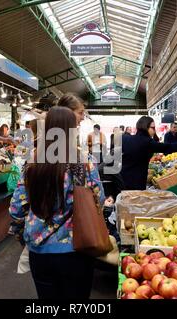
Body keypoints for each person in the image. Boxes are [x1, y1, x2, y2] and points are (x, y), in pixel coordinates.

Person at [9, 106, 105, 299]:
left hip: (40, 251)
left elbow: (16, 209)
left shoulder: (33, 162)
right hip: (78, 249)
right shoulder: (84, 161)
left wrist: (23, 238)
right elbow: (99, 200)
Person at [121, 116, 177, 190]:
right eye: (153, 128)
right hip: (137, 181)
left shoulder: (126, 138)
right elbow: (170, 147)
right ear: (145, 127)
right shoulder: (147, 142)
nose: (154, 130)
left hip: (122, 179)